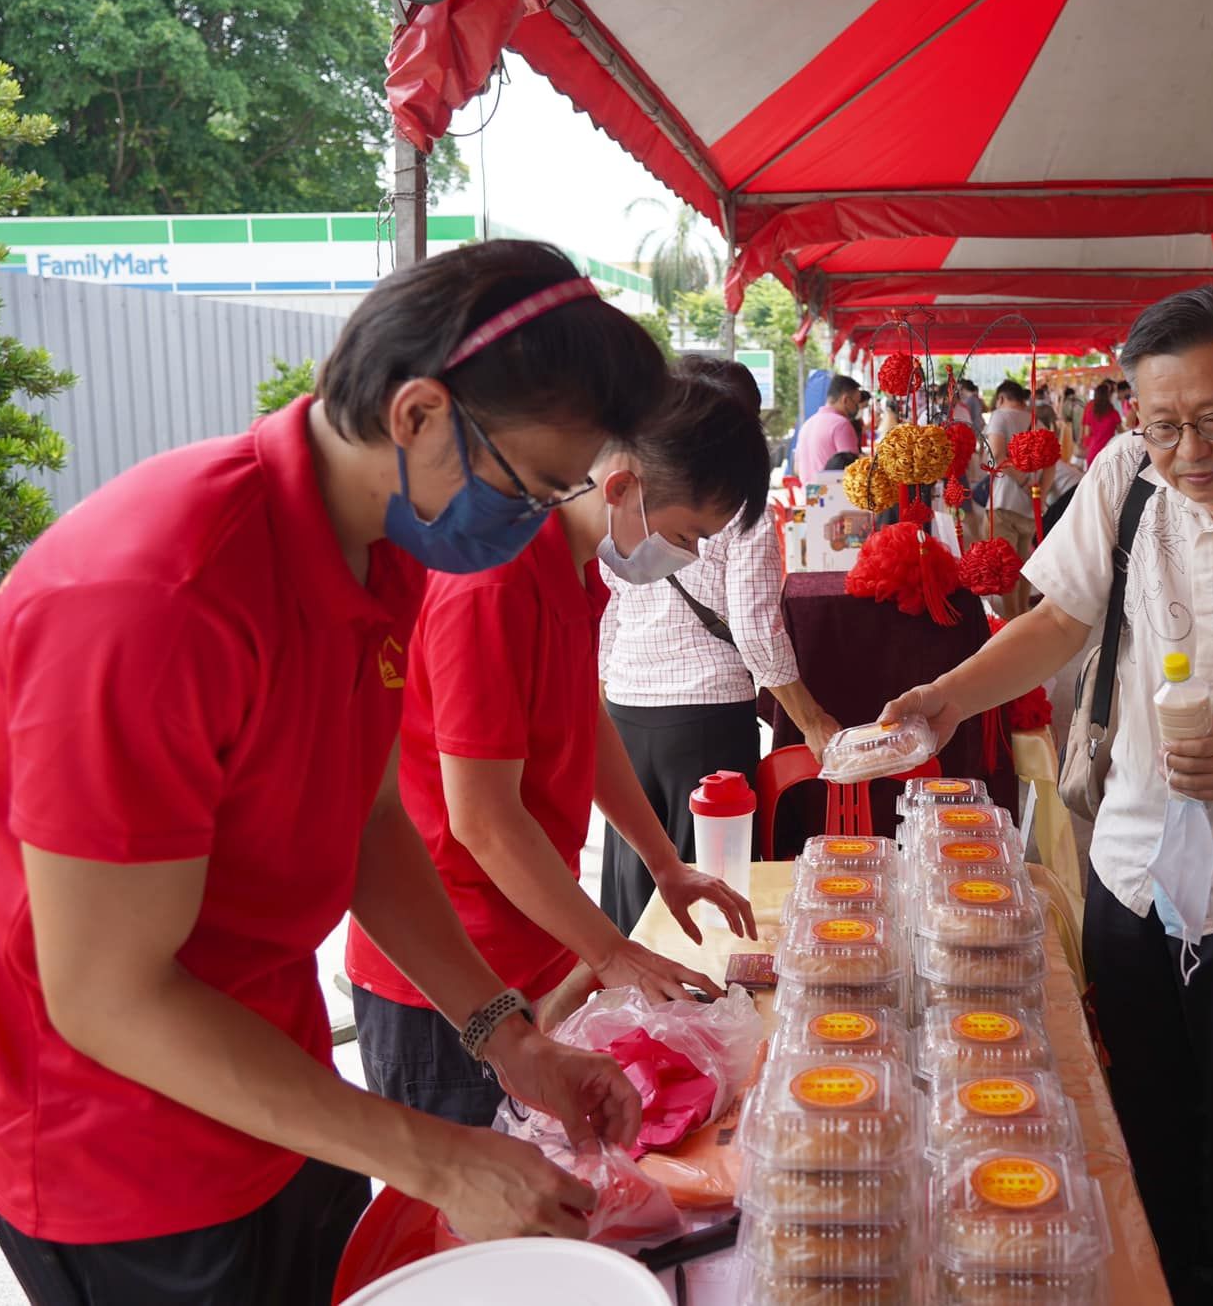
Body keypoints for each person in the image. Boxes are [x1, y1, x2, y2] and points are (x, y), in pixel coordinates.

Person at [0, 240, 648, 1306]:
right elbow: (107, 996)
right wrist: (434, 1156)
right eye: (532, 489)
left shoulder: (385, 549)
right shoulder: (157, 598)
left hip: (280, 1089)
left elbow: (368, 821)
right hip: (121, 1156)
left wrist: (509, 1040)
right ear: (418, 415)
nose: (533, 525)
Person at [886, 286, 1213, 1305]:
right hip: (1131, 878)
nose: (1187, 451)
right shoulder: (1125, 478)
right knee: (1140, 1144)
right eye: (1163, 422)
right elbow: (1060, 621)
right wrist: (947, 696)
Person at [347, 365, 773, 1124]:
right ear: (623, 487)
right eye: (685, 536)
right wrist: (611, 950)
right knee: (483, 1181)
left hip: (532, 937)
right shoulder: (493, 583)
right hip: (449, 974)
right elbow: (481, 819)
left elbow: (586, 723)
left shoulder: (573, 571)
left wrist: (665, 863)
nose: (686, 555)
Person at [596, 358, 843, 933]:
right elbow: (755, 627)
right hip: (704, 719)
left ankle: (634, 990)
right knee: (707, 901)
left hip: (626, 712)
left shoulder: (628, 504)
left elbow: (609, 612)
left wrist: (603, 695)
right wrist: (811, 720)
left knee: (638, 894)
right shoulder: (743, 509)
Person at [983, 379, 1048, 619]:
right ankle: (1022, 615)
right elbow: (1051, 461)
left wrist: (1022, 482)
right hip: (1029, 508)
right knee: (1023, 565)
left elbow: (996, 455)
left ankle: (1012, 619)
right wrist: (1038, 493)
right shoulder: (1036, 421)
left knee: (1006, 567)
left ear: (1001, 398)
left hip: (1004, 503)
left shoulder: (1000, 416)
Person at [797, 373, 864, 474]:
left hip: (807, 484)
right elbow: (853, 470)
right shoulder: (841, 425)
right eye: (856, 403)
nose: (858, 407)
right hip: (834, 484)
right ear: (845, 400)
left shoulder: (807, 424)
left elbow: (797, 468)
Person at [1082, 380, 1123, 466]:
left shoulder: (1091, 412)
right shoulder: (1114, 413)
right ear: (1108, 396)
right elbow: (1121, 433)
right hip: (1108, 452)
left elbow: (1087, 432)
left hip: (1093, 452)